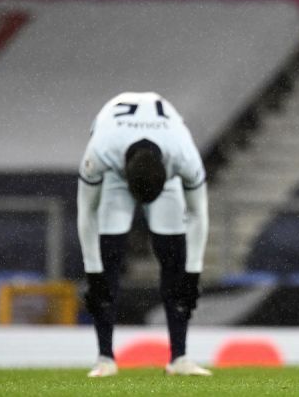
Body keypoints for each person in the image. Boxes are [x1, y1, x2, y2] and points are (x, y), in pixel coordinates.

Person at [76, 92, 212, 377]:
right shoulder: (101, 151)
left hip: (163, 166)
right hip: (117, 172)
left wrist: (193, 273)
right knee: (107, 261)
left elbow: (199, 212)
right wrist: (93, 272)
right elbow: (85, 210)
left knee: (175, 261)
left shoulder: (183, 155)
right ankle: (104, 358)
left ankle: (180, 358)